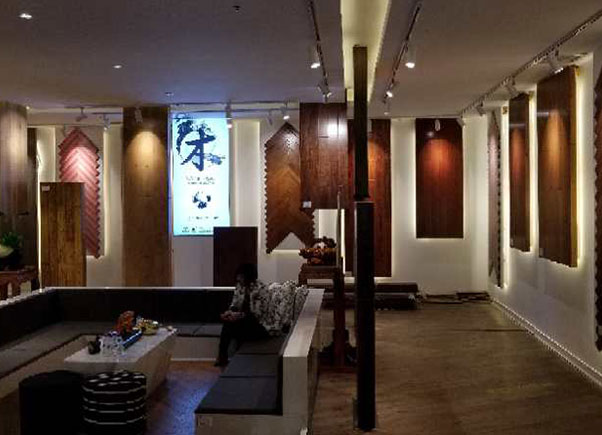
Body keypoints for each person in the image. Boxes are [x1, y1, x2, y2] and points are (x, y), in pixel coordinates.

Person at [215, 263, 272, 366]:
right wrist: (230, 312)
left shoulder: (261, 288)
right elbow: (235, 303)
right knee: (228, 323)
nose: (238, 279)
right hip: (244, 320)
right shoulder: (240, 286)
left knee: (241, 323)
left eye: (241, 277)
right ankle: (223, 357)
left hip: (260, 325)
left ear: (248, 277)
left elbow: (258, 313)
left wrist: (239, 315)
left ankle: (238, 360)